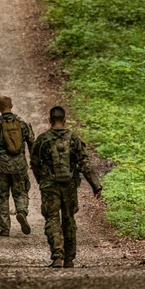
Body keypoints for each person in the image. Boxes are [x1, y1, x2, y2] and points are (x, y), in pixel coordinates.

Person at [30, 106, 102, 268]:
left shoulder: (42, 139)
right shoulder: (74, 139)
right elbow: (84, 164)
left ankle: (57, 255)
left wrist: (42, 180)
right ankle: (69, 258)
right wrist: (95, 185)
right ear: (64, 120)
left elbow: (35, 163)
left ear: (50, 120)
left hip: (50, 187)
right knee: (69, 219)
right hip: (69, 186)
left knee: (52, 218)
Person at [0, 96, 35, 236]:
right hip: (19, 165)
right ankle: (22, 211)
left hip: (2, 166)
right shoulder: (22, 123)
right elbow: (32, 142)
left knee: (2, 196)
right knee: (21, 192)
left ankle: (5, 228)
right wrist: (34, 161)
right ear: (11, 105)